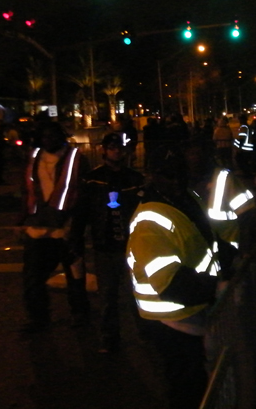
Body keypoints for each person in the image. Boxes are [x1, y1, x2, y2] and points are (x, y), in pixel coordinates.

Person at [126, 146, 227, 409]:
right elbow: (171, 284)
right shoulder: (150, 221)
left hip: (192, 310)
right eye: (169, 175)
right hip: (172, 319)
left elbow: (206, 239)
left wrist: (229, 260)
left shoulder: (186, 198)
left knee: (198, 380)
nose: (177, 181)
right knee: (186, 385)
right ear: (152, 175)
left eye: (181, 174)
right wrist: (218, 287)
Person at [77, 133, 146, 353]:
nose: (116, 151)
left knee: (137, 293)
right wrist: (76, 238)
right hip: (105, 244)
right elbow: (82, 211)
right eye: (112, 147)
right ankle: (109, 338)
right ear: (104, 150)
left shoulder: (134, 179)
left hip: (130, 245)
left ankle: (146, 335)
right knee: (108, 295)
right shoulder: (92, 179)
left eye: (119, 148)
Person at [19, 121, 90, 333]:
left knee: (75, 277)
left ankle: (79, 314)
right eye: (44, 136)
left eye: (52, 136)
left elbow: (84, 195)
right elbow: (27, 191)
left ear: (61, 136)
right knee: (32, 278)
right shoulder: (34, 158)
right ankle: (39, 318)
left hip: (67, 229)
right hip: (37, 230)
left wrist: (77, 226)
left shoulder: (76, 158)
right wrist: (21, 221)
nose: (48, 140)